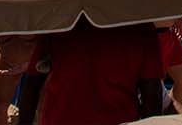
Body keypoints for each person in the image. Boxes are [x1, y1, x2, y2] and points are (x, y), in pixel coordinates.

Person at [17, 21, 164, 125]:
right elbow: (151, 98)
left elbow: (32, 85)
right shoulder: (141, 27)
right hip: (119, 120)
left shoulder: (61, 21)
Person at [156, 19, 182, 113]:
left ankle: (169, 115)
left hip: (168, 30)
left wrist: (176, 17)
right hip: (153, 32)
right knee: (152, 84)